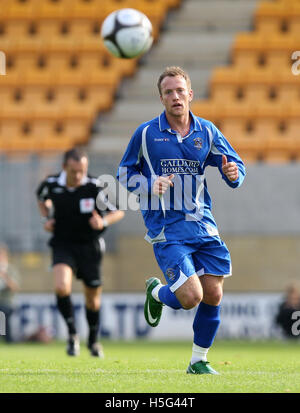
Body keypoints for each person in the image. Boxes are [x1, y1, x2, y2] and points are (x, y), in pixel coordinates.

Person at [117, 66, 246, 374]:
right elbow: (124, 173)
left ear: (190, 94)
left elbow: (235, 165)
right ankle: (158, 293)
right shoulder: (147, 133)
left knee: (213, 293)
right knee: (191, 297)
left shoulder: (207, 132)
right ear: (161, 98)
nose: (175, 96)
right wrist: (149, 185)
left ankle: (198, 361)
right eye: (168, 92)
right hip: (167, 228)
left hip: (202, 223)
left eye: (179, 91)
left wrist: (233, 174)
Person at [36, 147, 124, 357]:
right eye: (75, 171)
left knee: (92, 299)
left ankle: (93, 341)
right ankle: (72, 334)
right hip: (63, 244)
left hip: (89, 246)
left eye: (82, 170)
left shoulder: (94, 186)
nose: (78, 175)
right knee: (61, 286)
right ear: (64, 167)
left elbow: (118, 211)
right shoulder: (51, 184)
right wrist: (47, 218)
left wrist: (102, 221)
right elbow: (42, 199)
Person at [0, 243, 20, 343]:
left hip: (7, 303)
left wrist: (4, 276)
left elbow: (14, 287)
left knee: (2, 311)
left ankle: (8, 339)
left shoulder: (10, 270)